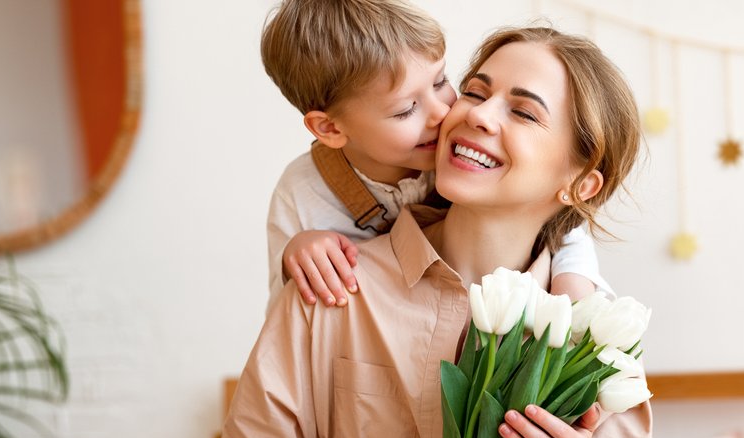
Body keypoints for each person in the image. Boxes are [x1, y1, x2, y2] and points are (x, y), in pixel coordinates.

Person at [211, 25, 671, 438]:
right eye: (474, 91)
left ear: (580, 184)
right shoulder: (331, 291)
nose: (475, 113)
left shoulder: (599, 346)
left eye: (523, 112)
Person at [260, 0, 610, 310]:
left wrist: (574, 276)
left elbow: (558, 220)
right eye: (405, 109)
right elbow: (288, 321)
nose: (441, 113)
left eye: (441, 82)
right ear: (330, 129)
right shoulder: (302, 192)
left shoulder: (455, 153)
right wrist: (297, 252)